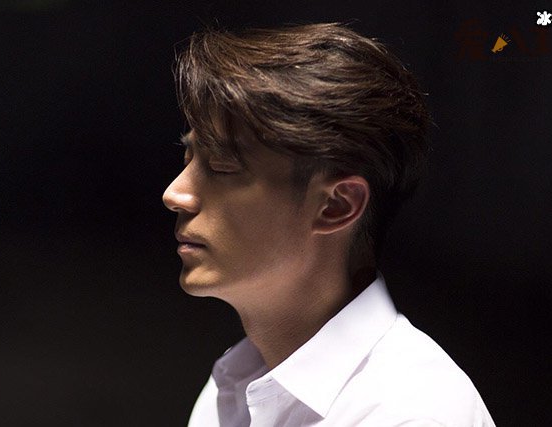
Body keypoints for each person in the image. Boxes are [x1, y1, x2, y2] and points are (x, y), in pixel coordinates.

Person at [162, 22, 495, 427]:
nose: (175, 193)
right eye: (189, 159)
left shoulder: (414, 412)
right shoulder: (233, 386)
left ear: (336, 206)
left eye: (221, 166)